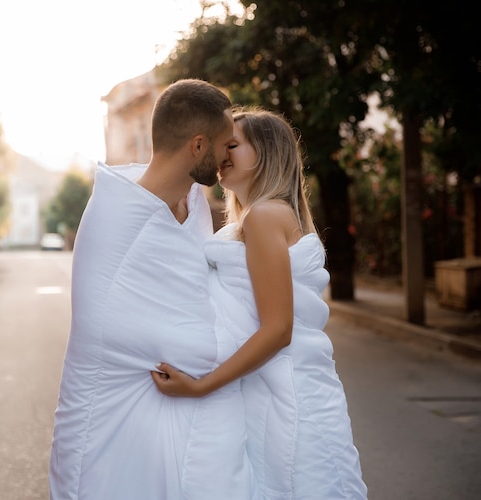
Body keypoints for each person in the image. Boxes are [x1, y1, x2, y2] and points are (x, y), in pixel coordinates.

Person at [49, 80, 257, 500]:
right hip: (106, 437)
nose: (225, 158)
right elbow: (140, 334)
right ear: (197, 146)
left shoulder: (195, 203)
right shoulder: (117, 214)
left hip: (175, 430)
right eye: (223, 145)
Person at [152, 107, 368, 499]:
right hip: (281, 393)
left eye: (232, 144)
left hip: (292, 398)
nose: (221, 154)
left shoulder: (264, 217)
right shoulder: (261, 217)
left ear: (266, 153)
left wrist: (202, 386)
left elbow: (278, 329)